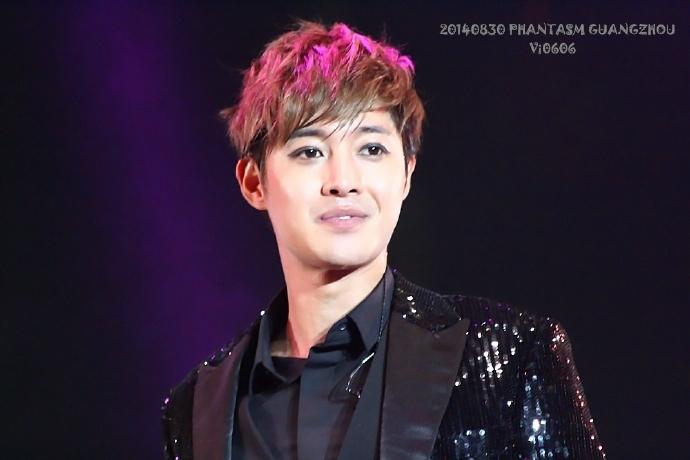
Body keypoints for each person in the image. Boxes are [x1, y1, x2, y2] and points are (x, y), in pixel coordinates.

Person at [161, 19, 605, 460]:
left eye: (371, 149)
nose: (343, 181)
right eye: (309, 151)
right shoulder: (200, 404)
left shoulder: (512, 354)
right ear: (254, 182)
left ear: (406, 173)